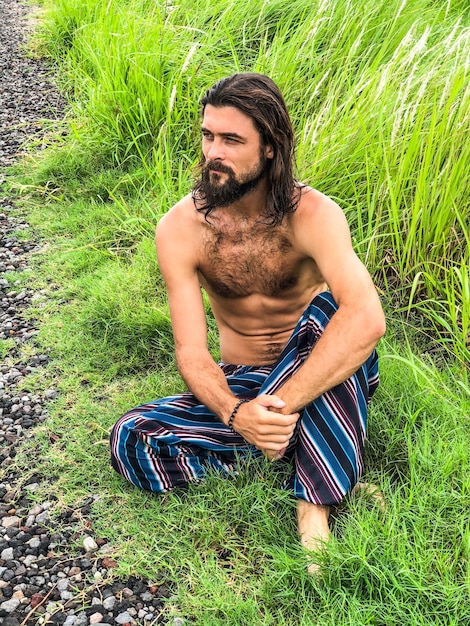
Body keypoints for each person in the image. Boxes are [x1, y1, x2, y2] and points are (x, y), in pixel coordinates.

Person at [110, 73, 386, 569]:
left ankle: (313, 511)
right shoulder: (180, 229)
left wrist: (278, 409)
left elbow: (366, 319)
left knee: (327, 315)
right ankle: (312, 461)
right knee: (132, 438)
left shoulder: (313, 215)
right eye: (208, 135)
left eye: (232, 140)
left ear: (271, 148)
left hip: (319, 376)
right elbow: (192, 353)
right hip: (242, 386)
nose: (214, 151)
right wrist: (239, 416)